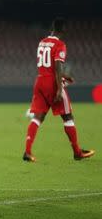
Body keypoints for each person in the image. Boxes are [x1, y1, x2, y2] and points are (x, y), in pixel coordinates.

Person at [23, 18, 95, 162]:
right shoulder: (60, 44)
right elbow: (56, 65)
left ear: (52, 28)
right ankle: (77, 152)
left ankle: (27, 151)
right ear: (63, 30)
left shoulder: (42, 42)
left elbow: (47, 65)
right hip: (52, 83)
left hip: (40, 80)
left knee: (38, 117)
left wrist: (64, 76)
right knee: (68, 116)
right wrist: (59, 87)